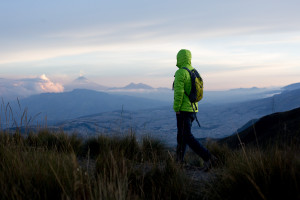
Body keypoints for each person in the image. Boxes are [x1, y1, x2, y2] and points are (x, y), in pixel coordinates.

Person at [173, 49, 215, 170]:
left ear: (179, 58)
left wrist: (176, 108)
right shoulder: (194, 71)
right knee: (181, 136)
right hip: (193, 109)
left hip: (184, 109)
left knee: (186, 136)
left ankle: (208, 157)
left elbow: (179, 92)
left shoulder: (181, 72)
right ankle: (178, 162)